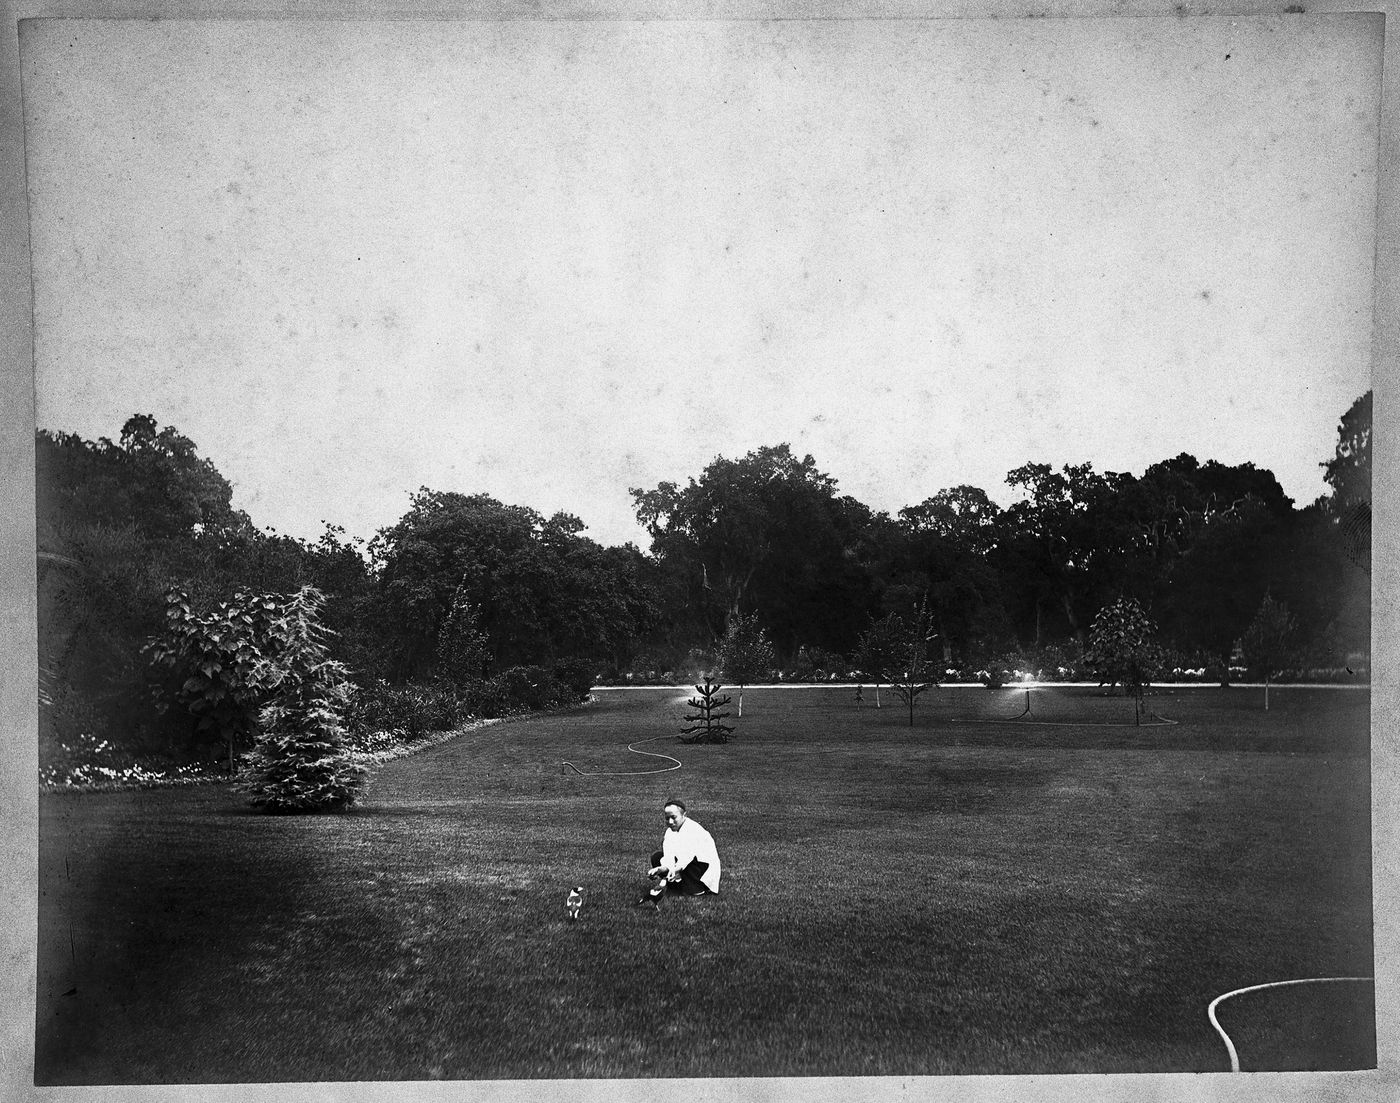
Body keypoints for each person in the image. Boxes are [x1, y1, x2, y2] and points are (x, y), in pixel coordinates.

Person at [635, 799, 721, 906]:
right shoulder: (670, 831)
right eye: (667, 818)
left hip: (702, 869)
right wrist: (659, 869)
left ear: (683, 815)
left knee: (691, 892)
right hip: (685, 866)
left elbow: (687, 857)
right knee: (657, 857)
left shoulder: (693, 829)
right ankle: (677, 885)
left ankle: (699, 888)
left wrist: (675, 869)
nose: (670, 822)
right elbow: (668, 858)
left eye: (674, 817)